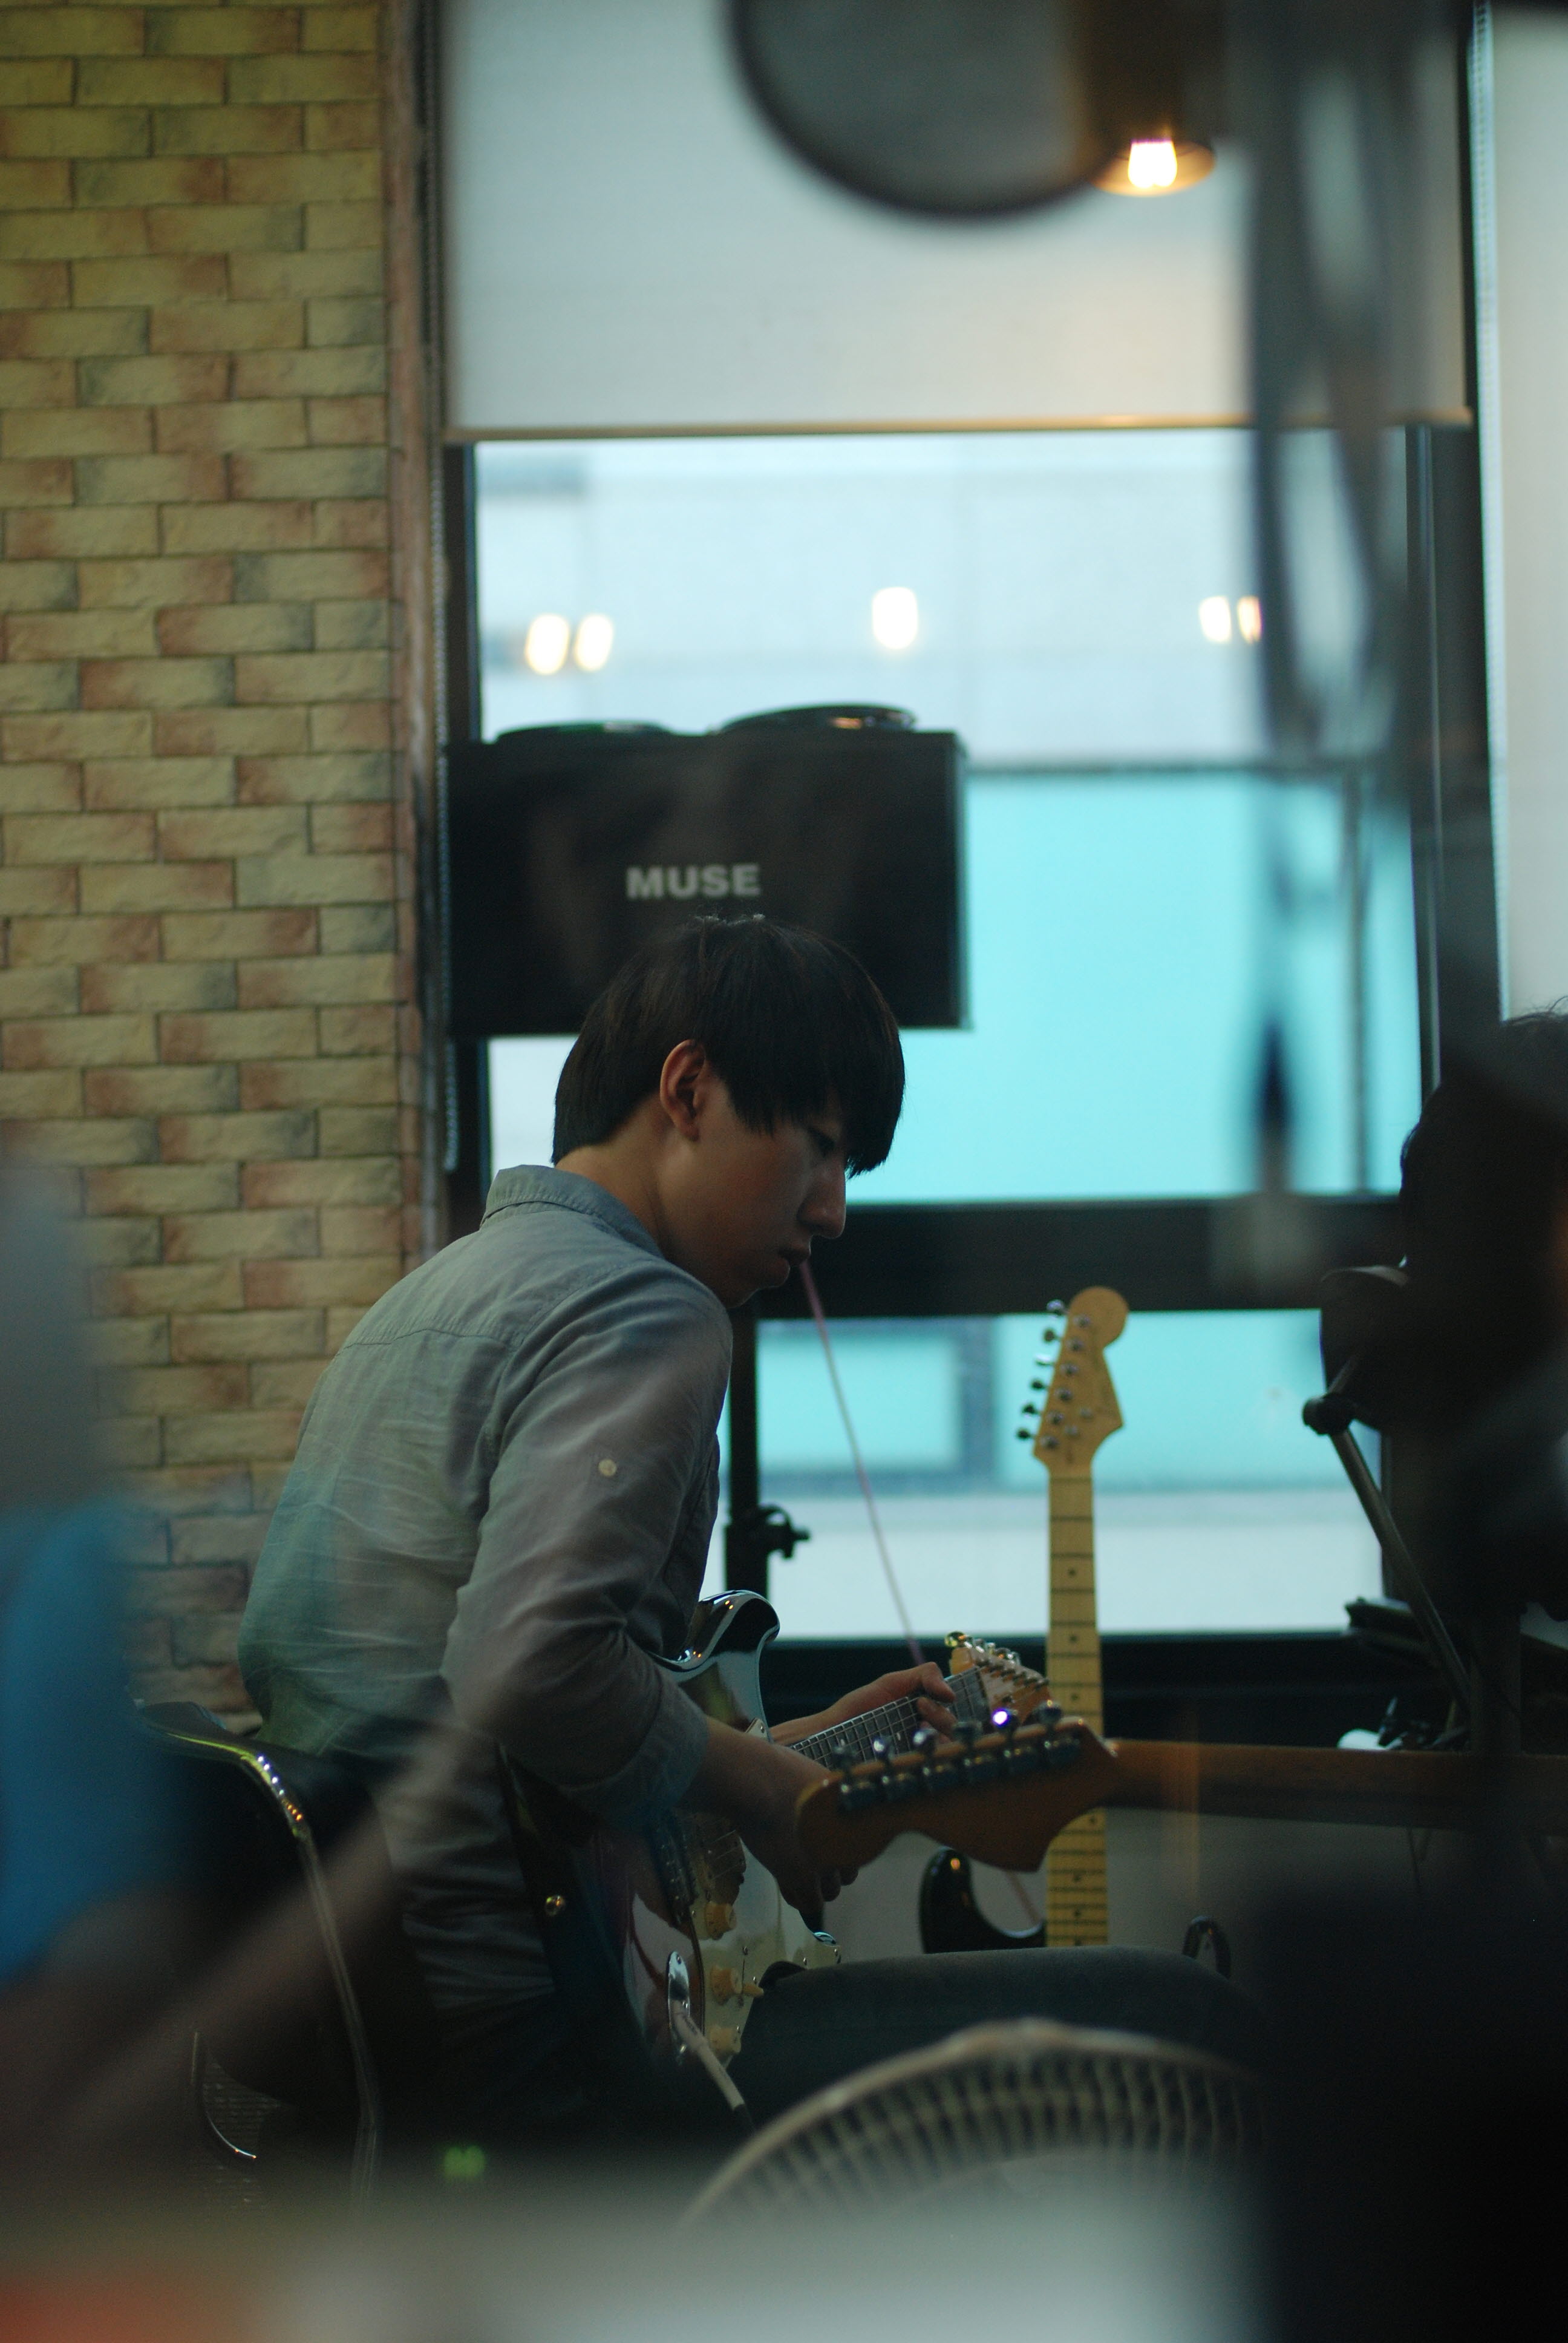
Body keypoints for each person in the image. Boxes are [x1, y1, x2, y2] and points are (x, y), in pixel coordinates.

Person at [240, 917, 1261, 2146]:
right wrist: (770, 1789)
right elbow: (528, 1663)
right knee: (1184, 2021)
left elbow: (498, 1729)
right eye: (821, 1149)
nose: (834, 1213)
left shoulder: (423, 1304)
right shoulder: (643, 1307)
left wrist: (796, 1752)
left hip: (400, 2052)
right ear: (689, 1091)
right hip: (554, 2043)